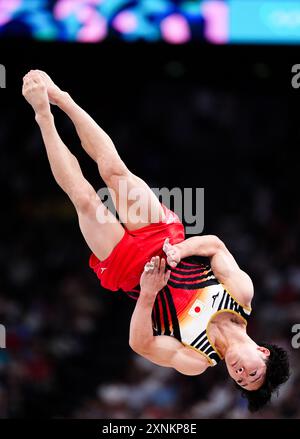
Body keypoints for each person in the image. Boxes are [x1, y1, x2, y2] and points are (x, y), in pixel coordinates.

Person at [22, 70, 290, 411]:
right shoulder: (241, 294)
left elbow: (141, 344)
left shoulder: (196, 360)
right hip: (162, 237)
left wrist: (148, 294)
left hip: (131, 271)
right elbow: (215, 246)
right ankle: (62, 98)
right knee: (114, 173)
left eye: (240, 380)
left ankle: (43, 114)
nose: (241, 374)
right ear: (262, 352)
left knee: (85, 200)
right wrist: (180, 249)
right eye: (253, 373)